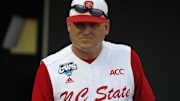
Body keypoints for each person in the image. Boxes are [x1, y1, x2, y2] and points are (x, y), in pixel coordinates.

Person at [32, 0, 155, 101]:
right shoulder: (49, 67)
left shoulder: (127, 57)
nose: (86, 31)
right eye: (80, 24)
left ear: (106, 27)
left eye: (93, 25)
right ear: (69, 25)